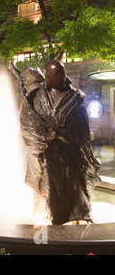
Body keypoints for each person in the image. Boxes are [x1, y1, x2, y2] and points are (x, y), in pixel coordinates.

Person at [17, 60, 101, 225]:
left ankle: (74, 219)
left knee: (72, 186)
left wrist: (84, 152)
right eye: (53, 75)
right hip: (42, 153)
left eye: (60, 73)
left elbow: (82, 127)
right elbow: (27, 124)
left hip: (69, 151)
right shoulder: (34, 97)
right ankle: (42, 222)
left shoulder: (76, 98)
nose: (58, 78)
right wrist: (45, 136)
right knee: (43, 189)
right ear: (46, 77)